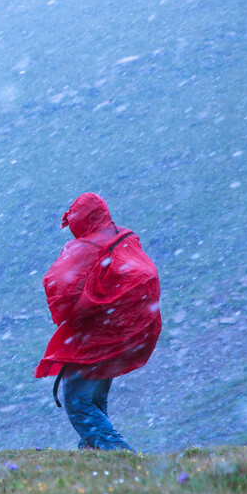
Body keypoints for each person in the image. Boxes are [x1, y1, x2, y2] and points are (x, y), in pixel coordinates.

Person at [35, 192, 161, 451]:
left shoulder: (89, 247)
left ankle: (120, 456)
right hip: (124, 337)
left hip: (97, 340)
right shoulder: (123, 238)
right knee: (94, 401)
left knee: (78, 403)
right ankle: (95, 453)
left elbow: (58, 283)